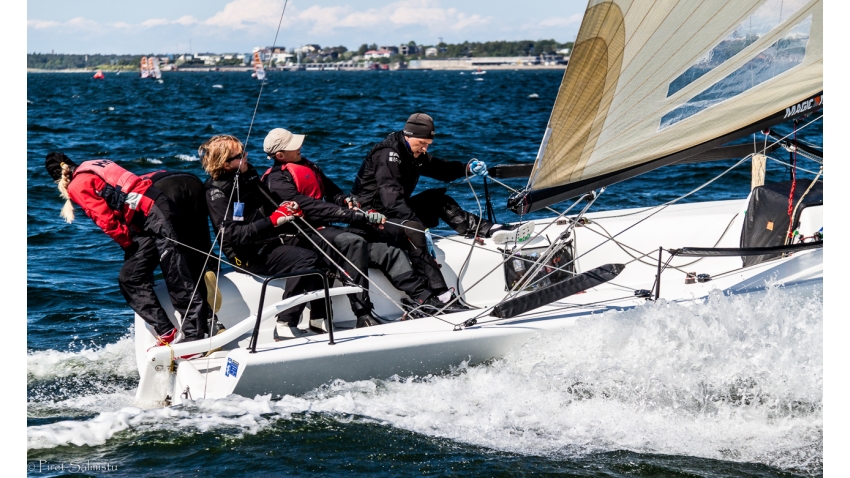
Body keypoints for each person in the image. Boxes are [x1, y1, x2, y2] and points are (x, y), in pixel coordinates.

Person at [350, 113, 533, 310]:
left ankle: (490, 229)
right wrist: (420, 227)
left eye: (428, 143)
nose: (425, 148)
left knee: (438, 199)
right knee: (414, 231)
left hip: (395, 212)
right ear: (408, 135)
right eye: (422, 142)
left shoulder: (414, 152)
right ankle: (440, 295)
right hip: (371, 221)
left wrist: (468, 169)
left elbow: (441, 169)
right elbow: (391, 197)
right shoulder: (388, 154)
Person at [262, 128, 435, 325]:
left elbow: (332, 192)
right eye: (294, 146)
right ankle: (363, 314)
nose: (300, 147)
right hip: (303, 236)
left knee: (388, 251)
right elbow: (310, 207)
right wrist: (351, 216)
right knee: (353, 242)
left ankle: (425, 299)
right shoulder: (276, 180)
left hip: (327, 230)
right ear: (280, 155)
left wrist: (345, 200)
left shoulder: (309, 166)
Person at [44, 152, 211, 350]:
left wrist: (127, 243)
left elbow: (105, 220)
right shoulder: (92, 165)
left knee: (175, 274)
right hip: (149, 215)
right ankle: (167, 331)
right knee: (130, 277)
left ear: (57, 178)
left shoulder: (76, 185)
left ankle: (195, 337)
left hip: (154, 214)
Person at [199, 134, 328, 338]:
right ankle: (285, 323)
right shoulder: (217, 193)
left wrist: (286, 207)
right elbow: (233, 236)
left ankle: (319, 318)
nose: (246, 156)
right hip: (247, 254)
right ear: (225, 164)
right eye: (240, 155)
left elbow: (267, 204)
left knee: (321, 243)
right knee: (307, 259)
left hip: (268, 239)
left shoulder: (246, 175)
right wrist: (274, 220)